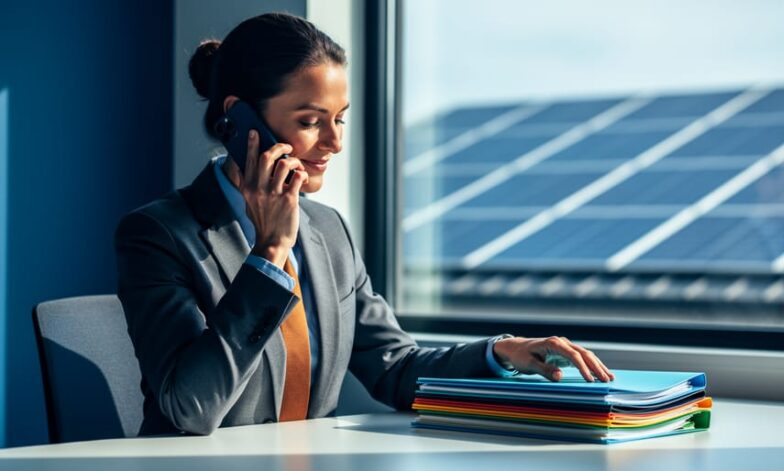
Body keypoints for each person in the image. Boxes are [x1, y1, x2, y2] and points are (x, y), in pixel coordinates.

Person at [115, 12, 613, 437]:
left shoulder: (329, 233)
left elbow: (394, 370)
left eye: (340, 119)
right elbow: (191, 408)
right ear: (239, 119)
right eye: (311, 121)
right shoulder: (159, 234)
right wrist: (268, 255)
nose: (334, 143)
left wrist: (501, 352)